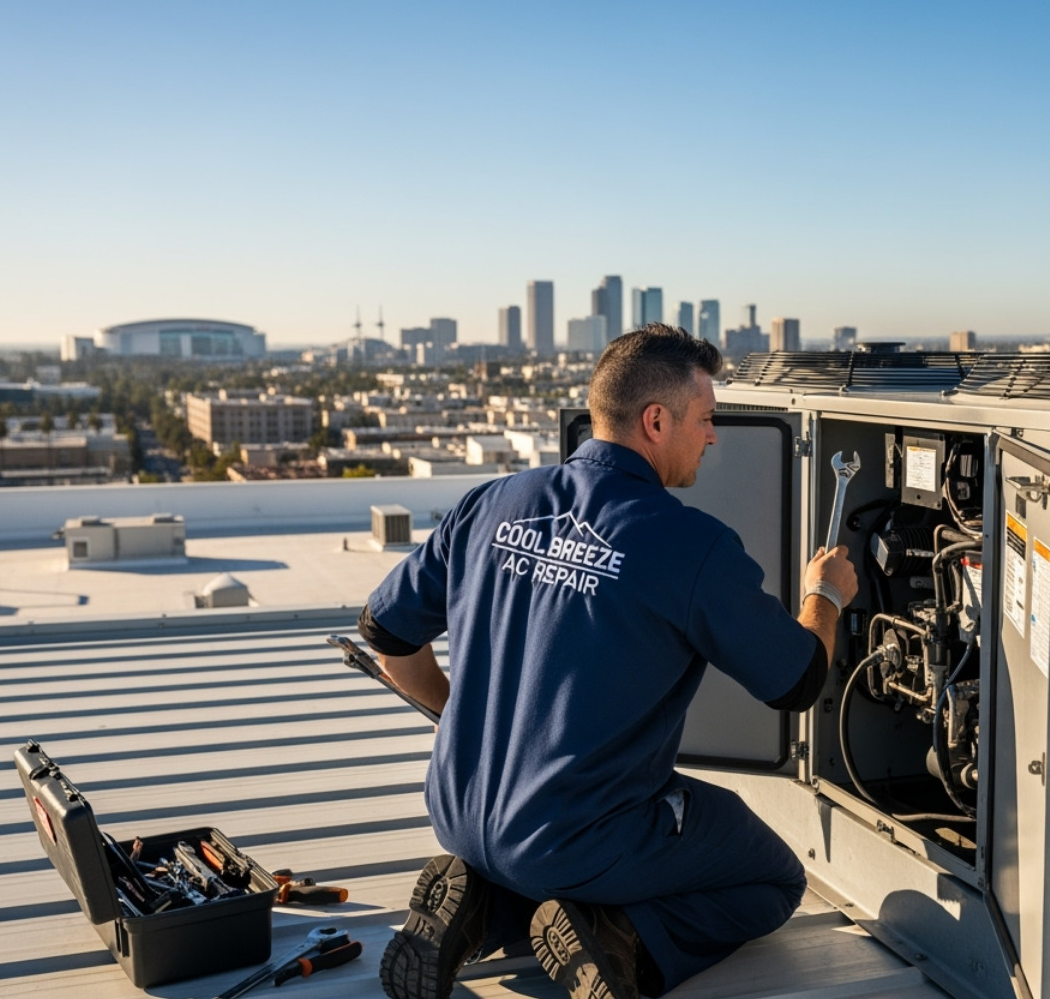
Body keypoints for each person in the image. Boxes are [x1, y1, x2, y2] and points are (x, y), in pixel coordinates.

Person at [358, 323, 858, 999]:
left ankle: (484, 902)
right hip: (580, 839)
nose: (713, 437)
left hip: (458, 810)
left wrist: (457, 721)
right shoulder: (690, 545)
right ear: (657, 420)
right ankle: (618, 937)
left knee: (539, 851)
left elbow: (383, 631)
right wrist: (824, 595)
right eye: (707, 419)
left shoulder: (492, 501)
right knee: (773, 879)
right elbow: (796, 680)